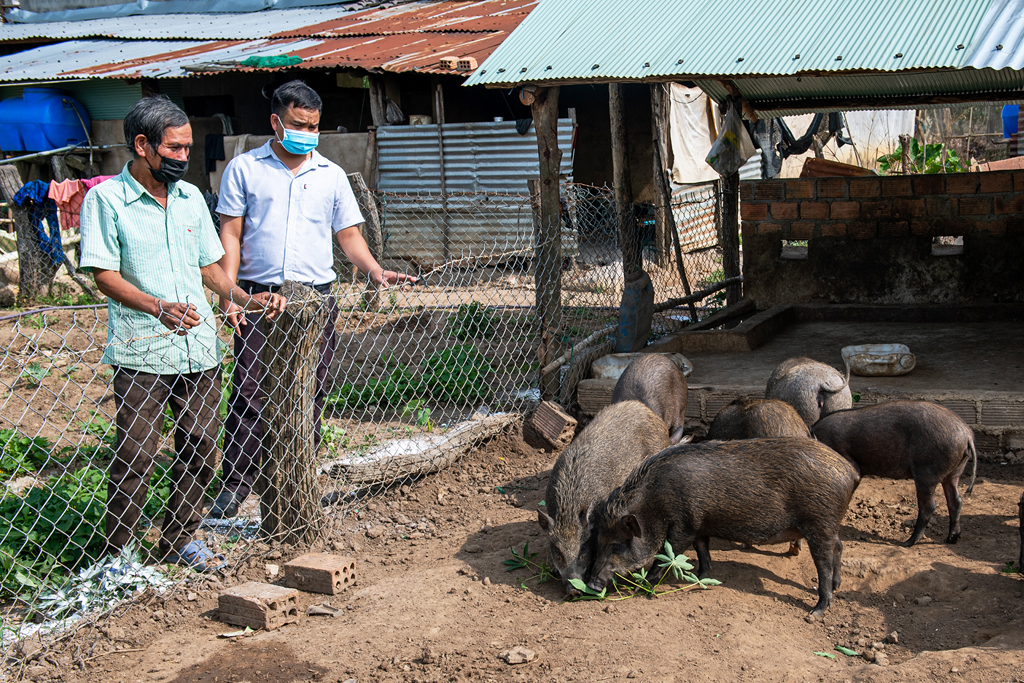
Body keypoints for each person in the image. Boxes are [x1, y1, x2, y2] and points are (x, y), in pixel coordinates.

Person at [80, 96, 286, 571]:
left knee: (199, 449)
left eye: (188, 148)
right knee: (135, 455)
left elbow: (210, 268)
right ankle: (119, 558)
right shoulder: (106, 200)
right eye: (174, 148)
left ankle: (177, 540)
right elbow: (104, 276)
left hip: (198, 349)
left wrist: (244, 298)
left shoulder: (192, 196)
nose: (183, 157)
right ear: (142, 145)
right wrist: (158, 307)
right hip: (142, 350)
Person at [212, 80, 416, 518]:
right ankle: (236, 483)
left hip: (316, 298)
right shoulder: (245, 169)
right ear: (276, 121)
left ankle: (298, 466)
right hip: (259, 297)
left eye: (314, 126)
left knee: (314, 386)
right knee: (250, 389)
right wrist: (231, 295)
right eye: (298, 124)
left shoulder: (331, 175)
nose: (307, 132)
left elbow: (349, 236)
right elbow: (230, 232)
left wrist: (375, 270)